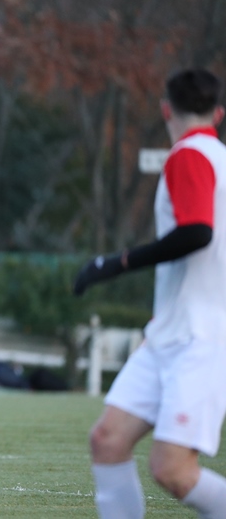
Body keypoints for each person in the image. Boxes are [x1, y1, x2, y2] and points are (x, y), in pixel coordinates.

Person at [73, 68, 226, 518]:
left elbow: (197, 232)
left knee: (173, 469)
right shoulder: (217, 157)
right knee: (108, 440)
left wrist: (114, 263)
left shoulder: (189, 154)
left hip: (200, 339)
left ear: (165, 110)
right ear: (218, 113)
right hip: (170, 333)